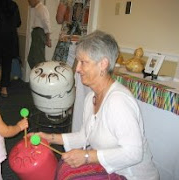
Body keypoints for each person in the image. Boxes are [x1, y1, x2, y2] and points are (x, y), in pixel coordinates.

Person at [33, 30, 159, 180]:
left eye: (83, 62)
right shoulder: (91, 97)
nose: (77, 69)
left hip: (130, 175)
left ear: (103, 64)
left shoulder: (118, 101)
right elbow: (84, 136)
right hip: (110, 169)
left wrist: (87, 156)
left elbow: (133, 153)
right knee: (64, 167)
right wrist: (49, 138)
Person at [55, 0, 91, 132]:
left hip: (67, 42)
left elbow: (59, 18)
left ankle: (62, 110)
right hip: (84, 43)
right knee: (77, 81)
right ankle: (73, 115)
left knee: (62, 77)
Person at [0, 0, 21, 97]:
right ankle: (4, 89)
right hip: (10, 37)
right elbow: (18, 23)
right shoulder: (14, 5)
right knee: (7, 64)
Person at [27, 0, 51, 69]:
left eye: (29, 1)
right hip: (36, 34)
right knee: (31, 59)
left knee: (39, 60)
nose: (29, 3)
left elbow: (47, 24)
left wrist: (48, 39)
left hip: (39, 34)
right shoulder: (37, 9)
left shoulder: (42, 8)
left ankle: (41, 77)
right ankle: (37, 75)